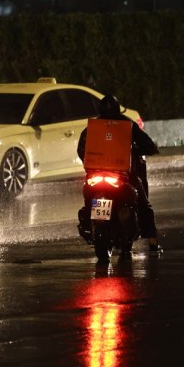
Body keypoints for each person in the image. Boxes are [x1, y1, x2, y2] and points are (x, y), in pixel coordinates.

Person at [77, 94, 163, 254]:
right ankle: (152, 241)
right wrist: (149, 149)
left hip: (96, 177)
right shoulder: (127, 124)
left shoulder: (93, 127)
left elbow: (81, 150)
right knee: (144, 204)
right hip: (122, 177)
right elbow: (147, 144)